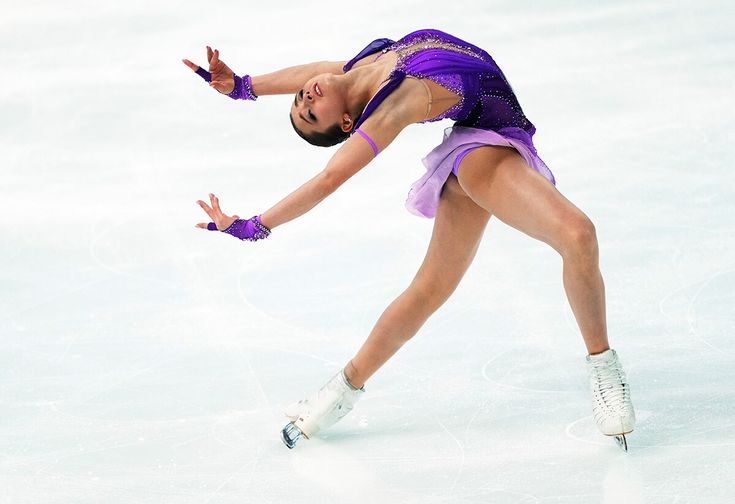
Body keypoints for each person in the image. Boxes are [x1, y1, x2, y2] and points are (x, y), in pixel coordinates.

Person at [183, 28, 636, 450]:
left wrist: (244, 86)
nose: (306, 96)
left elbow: (314, 72)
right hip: (486, 148)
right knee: (578, 235)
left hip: (478, 138)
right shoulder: (396, 105)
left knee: (429, 289)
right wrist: (255, 225)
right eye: (309, 112)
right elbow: (329, 178)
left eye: (301, 99)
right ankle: (604, 371)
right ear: (346, 123)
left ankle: (335, 396)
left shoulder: (367, 62)